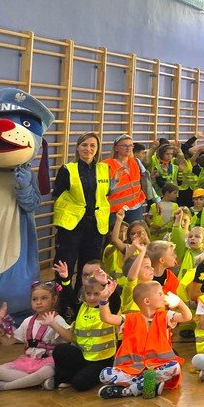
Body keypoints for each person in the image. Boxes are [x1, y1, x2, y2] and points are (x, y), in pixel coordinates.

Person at [99, 281, 190, 398]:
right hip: (131, 369)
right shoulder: (129, 319)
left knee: (175, 367)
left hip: (157, 367)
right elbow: (106, 318)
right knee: (104, 374)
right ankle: (147, 385)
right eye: (160, 294)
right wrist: (103, 300)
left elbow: (187, 317)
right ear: (147, 301)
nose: (164, 296)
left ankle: (126, 391)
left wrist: (179, 303)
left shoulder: (166, 316)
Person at [0, 282, 71, 391]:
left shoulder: (57, 319)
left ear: (54, 299)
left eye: (44, 298)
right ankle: (40, 382)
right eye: (34, 299)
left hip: (48, 362)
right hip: (29, 362)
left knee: (46, 371)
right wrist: (1, 326)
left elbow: (70, 338)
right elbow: (7, 342)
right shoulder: (27, 321)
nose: (38, 302)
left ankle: (4, 386)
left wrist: (53, 324)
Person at [53, 132, 113, 282]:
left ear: (97, 148)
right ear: (78, 147)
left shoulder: (104, 169)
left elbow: (105, 194)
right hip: (72, 225)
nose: (88, 149)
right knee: (65, 263)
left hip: (95, 225)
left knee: (90, 265)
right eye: (84, 145)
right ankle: (63, 294)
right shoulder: (67, 169)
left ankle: (84, 294)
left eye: (92, 145)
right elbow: (57, 196)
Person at [51, 276, 120, 391]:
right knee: (60, 350)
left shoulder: (108, 308)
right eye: (88, 294)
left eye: (96, 294)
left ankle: (93, 374)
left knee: (79, 384)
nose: (92, 297)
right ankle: (68, 376)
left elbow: (115, 301)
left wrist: (105, 284)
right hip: (84, 355)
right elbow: (70, 296)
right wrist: (65, 278)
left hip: (102, 359)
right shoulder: (82, 307)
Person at [105, 135, 152, 223]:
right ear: (116, 148)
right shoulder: (106, 165)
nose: (128, 148)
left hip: (135, 207)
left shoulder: (135, 162)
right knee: (116, 232)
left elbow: (145, 181)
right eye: (124, 145)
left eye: (131, 145)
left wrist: (156, 200)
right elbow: (102, 190)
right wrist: (114, 180)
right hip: (116, 210)